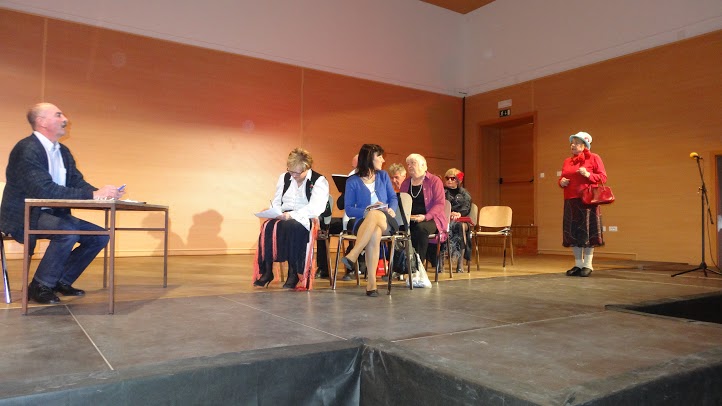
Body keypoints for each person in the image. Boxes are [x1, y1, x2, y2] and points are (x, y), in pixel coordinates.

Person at [0, 102, 124, 304]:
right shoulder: (27, 149)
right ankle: (40, 285)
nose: (65, 119)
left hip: (52, 215)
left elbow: (77, 182)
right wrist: (93, 195)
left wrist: (103, 194)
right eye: (58, 115)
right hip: (24, 215)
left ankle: (60, 280)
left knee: (99, 236)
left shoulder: (63, 151)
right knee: (67, 230)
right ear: (42, 121)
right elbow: (44, 190)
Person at [253, 148, 330, 289]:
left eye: (297, 173)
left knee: (292, 226)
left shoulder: (319, 181)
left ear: (307, 168)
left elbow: (316, 208)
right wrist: (276, 212)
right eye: (291, 171)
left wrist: (292, 215)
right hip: (285, 215)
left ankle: (294, 272)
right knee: (267, 226)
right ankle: (267, 271)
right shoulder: (284, 177)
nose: (293, 175)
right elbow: (277, 200)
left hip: (307, 217)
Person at [341, 144, 398, 296]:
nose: (383, 160)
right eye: (379, 156)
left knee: (375, 214)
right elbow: (349, 209)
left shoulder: (383, 176)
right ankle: (371, 283)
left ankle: (354, 254)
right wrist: (366, 210)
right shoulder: (352, 181)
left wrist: (391, 208)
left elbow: (393, 197)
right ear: (369, 159)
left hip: (386, 219)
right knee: (374, 231)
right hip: (363, 221)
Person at [559, 131, 607, 277]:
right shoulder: (567, 161)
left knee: (587, 232)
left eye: (576, 143)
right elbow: (562, 177)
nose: (572, 145)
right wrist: (561, 182)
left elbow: (603, 177)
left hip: (587, 200)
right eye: (571, 143)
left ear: (585, 145)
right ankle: (578, 264)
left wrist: (588, 174)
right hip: (570, 200)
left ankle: (588, 265)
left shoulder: (594, 157)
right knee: (573, 233)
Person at [399, 154, 447, 270]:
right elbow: (401, 203)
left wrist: (425, 217)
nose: (410, 166)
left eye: (413, 163)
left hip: (432, 219)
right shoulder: (405, 183)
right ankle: (399, 266)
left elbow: (440, 204)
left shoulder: (434, 181)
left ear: (424, 166)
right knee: (396, 229)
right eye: (408, 164)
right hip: (410, 219)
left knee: (420, 228)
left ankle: (417, 266)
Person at [443, 168, 472, 272]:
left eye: (452, 178)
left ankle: (460, 263)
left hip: (462, 220)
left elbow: (467, 207)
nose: (449, 180)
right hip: (446, 219)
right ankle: (440, 262)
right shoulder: (441, 192)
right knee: (440, 227)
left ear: (458, 180)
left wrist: (459, 214)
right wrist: (449, 213)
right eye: (447, 178)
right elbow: (439, 206)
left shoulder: (465, 193)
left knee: (459, 226)